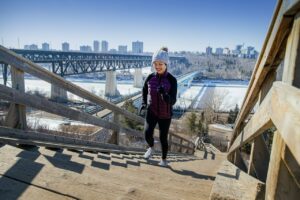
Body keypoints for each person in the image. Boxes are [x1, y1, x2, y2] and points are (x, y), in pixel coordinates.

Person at [140, 47, 177, 167]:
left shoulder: (172, 80)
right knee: (147, 133)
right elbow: (144, 89)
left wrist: (164, 95)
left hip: (165, 115)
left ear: (166, 64)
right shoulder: (150, 77)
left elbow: (173, 101)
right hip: (152, 110)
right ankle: (151, 147)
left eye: (160, 64)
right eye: (155, 64)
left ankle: (164, 159)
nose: (157, 66)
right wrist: (144, 103)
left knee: (163, 138)